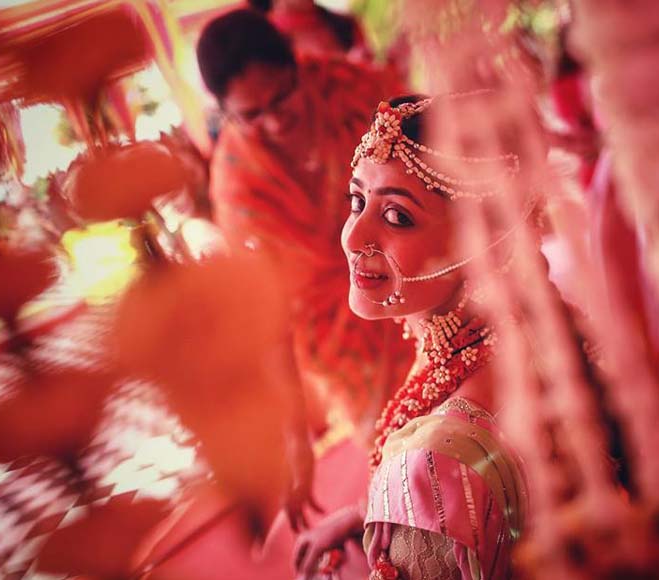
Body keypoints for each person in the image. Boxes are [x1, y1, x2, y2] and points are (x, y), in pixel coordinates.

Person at [293, 93, 537, 579]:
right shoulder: (527, 327)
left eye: (397, 216)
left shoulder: (433, 464)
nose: (352, 236)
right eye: (357, 201)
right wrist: (368, 510)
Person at [196, 9, 411, 519]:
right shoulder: (236, 186)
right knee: (402, 448)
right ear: (225, 111)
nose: (274, 120)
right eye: (250, 114)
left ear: (295, 63)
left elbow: (430, 159)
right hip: (342, 342)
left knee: (475, 407)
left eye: (281, 97)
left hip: (418, 277)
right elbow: (266, 314)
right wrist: (295, 437)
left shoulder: (354, 90)